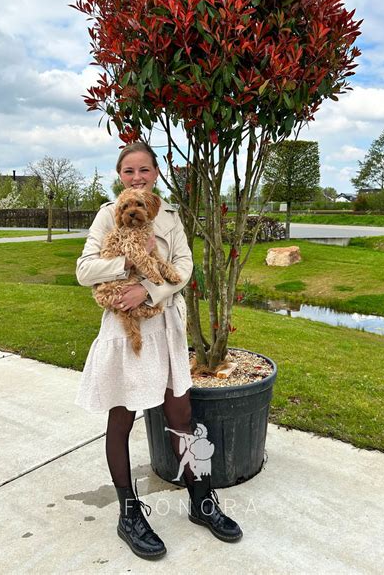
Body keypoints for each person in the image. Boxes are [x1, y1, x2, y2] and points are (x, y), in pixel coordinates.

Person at [75, 141, 242, 560]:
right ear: (120, 175)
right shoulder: (106, 214)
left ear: (155, 173)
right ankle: (129, 513)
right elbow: (84, 270)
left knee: (180, 415)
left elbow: (183, 267)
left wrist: (147, 288)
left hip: (165, 324)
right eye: (129, 171)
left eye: (144, 170)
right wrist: (127, 268)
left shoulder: (169, 215)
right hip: (125, 326)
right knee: (123, 415)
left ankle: (201, 502)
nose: (137, 178)